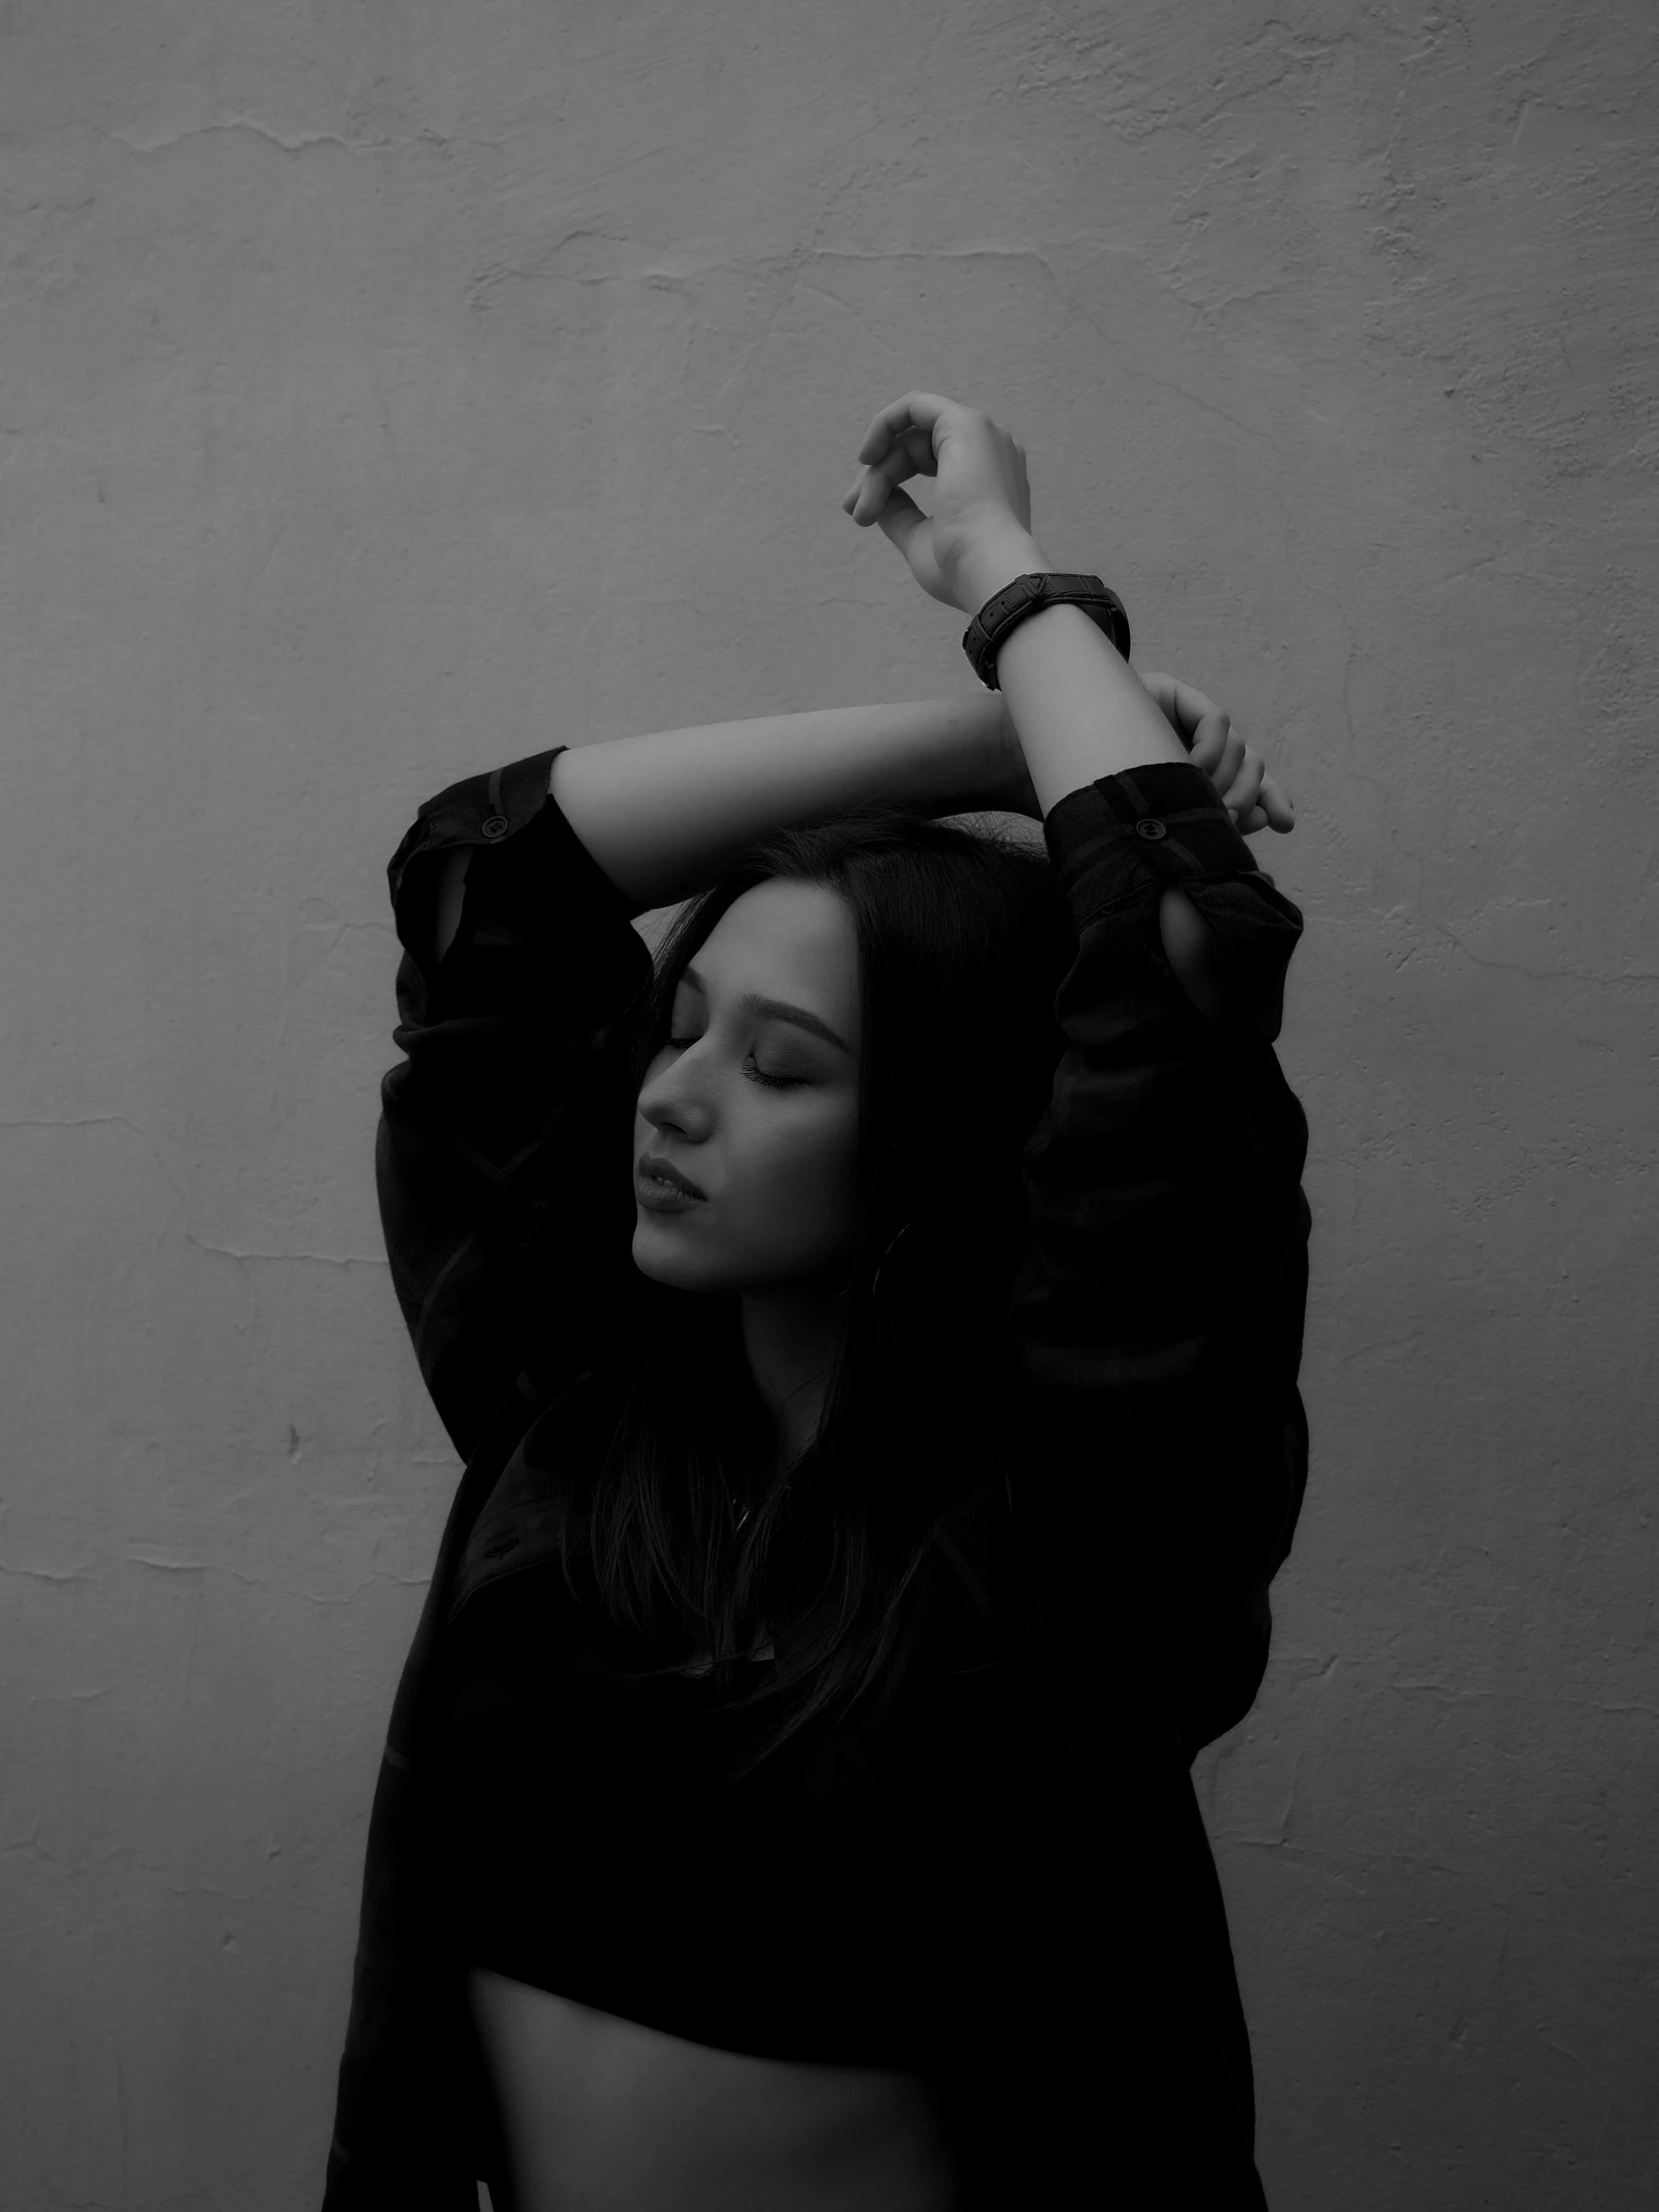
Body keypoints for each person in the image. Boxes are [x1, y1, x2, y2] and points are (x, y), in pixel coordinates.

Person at [319, 391, 1311, 2211]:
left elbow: (1173, 953)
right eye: (679, 1032)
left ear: (934, 1138)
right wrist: (989, 750)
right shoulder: (568, 1411)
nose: (671, 1098)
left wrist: (1014, 591)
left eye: (781, 1067)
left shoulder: (1077, 1525)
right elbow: (491, 868)